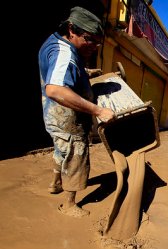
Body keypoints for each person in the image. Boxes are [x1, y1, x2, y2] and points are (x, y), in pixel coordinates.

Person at [38, 6, 115, 218]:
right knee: (76, 155)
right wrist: (98, 110)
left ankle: (55, 183)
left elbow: (60, 71)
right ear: (71, 29)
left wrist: (85, 72)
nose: (94, 46)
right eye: (89, 39)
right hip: (67, 118)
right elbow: (54, 89)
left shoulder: (57, 43)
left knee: (61, 150)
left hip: (54, 116)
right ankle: (69, 205)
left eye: (98, 42)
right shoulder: (65, 54)